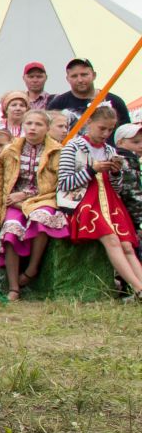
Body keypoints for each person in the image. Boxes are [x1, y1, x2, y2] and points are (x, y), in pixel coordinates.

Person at [57, 105, 142, 295]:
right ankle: (138, 288)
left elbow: (117, 187)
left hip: (110, 202)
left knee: (127, 244)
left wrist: (115, 172)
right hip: (84, 202)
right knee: (111, 240)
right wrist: (91, 170)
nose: (105, 133)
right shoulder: (73, 146)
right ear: (89, 122)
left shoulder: (110, 150)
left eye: (110, 129)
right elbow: (64, 183)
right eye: (101, 128)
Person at [0, 107, 64, 299]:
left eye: (38, 124)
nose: (33, 128)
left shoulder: (57, 151)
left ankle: (32, 270)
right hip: (13, 200)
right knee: (10, 230)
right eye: (29, 123)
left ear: (47, 128)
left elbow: (57, 185)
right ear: (23, 125)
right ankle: (14, 287)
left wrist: (24, 195)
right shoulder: (10, 150)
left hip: (44, 198)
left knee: (41, 218)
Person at [46, 57, 132, 128]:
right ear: (67, 79)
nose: (80, 80)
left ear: (94, 75)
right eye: (74, 76)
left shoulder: (114, 101)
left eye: (84, 75)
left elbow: (126, 133)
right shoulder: (58, 104)